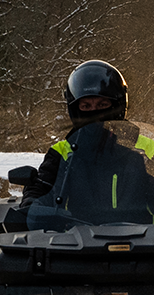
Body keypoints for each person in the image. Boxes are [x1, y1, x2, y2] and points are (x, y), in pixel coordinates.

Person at [21, 59, 132, 204]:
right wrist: (31, 204)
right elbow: (41, 186)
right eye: (86, 106)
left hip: (136, 227)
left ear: (118, 105)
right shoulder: (60, 154)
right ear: (75, 109)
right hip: (71, 226)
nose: (95, 112)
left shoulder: (144, 150)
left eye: (102, 104)